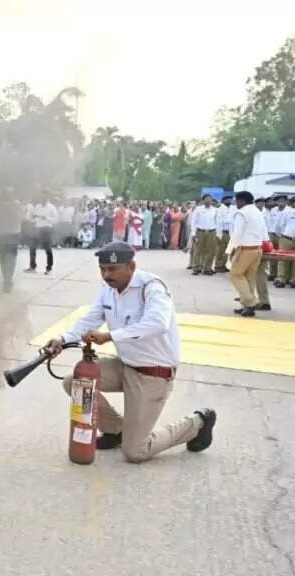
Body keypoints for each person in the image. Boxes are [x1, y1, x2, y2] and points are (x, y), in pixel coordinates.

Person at [43, 242, 216, 462]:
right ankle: (117, 430)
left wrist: (110, 336)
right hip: (125, 365)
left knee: (136, 451)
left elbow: (157, 324)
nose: (106, 275)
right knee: (76, 383)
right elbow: (90, 319)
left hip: (153, 374)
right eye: (102, 269)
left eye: (112, 269)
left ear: (131, 266)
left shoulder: (151, 287)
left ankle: (198, 422)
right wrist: (62, 339)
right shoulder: (108, 289)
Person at [226, 191, 267, 317]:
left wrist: (230, 250)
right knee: (249, 277)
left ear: (242, 201)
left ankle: (251, 301)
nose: (236, 204)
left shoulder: (242, 213)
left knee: (235, 274)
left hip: (246, 249)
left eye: (237, 201)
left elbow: (237, 234)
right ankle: (247, 307)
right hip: (257, 248)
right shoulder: (258, 212)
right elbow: (264, 231)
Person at [275, 196, 295, 288]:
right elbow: (279, 226)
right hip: (286, 238)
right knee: (282, 259)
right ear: (293, 204)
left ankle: (293, 279)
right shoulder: (287, 213)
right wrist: (282, 236)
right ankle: (281, 279)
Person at [25, 197, 56, 274]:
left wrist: (46, 218)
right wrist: (33, 218)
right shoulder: (37, 207)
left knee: (48, 249)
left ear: (47, 199)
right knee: (32, 247)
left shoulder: (51, 208)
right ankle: (32, 267)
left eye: (44, 198)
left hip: (47, 229)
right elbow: (33, 218)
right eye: (41, 198)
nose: (42, 200)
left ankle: (49, 268)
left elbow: (55, 220)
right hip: (37, 228)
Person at [190, 194, 218, 275]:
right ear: (203, 200)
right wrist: (193, 233)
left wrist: (218, 234)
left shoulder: (215, 210)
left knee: (210, 251)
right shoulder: (198, 210)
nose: (208, 200)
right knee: (198, 250)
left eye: (210, 199)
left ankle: (207, 268)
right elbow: (193, 222)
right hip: (200, 232)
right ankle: (196, 267)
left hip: (211, 232)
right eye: (206, 199)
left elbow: (218, 222)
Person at [214, 193, 234, 272]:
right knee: (221, 250)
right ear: (224, 201)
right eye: (228, 199)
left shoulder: (231, 209)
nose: (230, 201)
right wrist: (219, 234)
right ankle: (218, 266)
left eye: (230, 199)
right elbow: (219, 222)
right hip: (223, 232)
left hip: (230, 233)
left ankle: (223, 264)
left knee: (228, 250)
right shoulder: (220, 209)